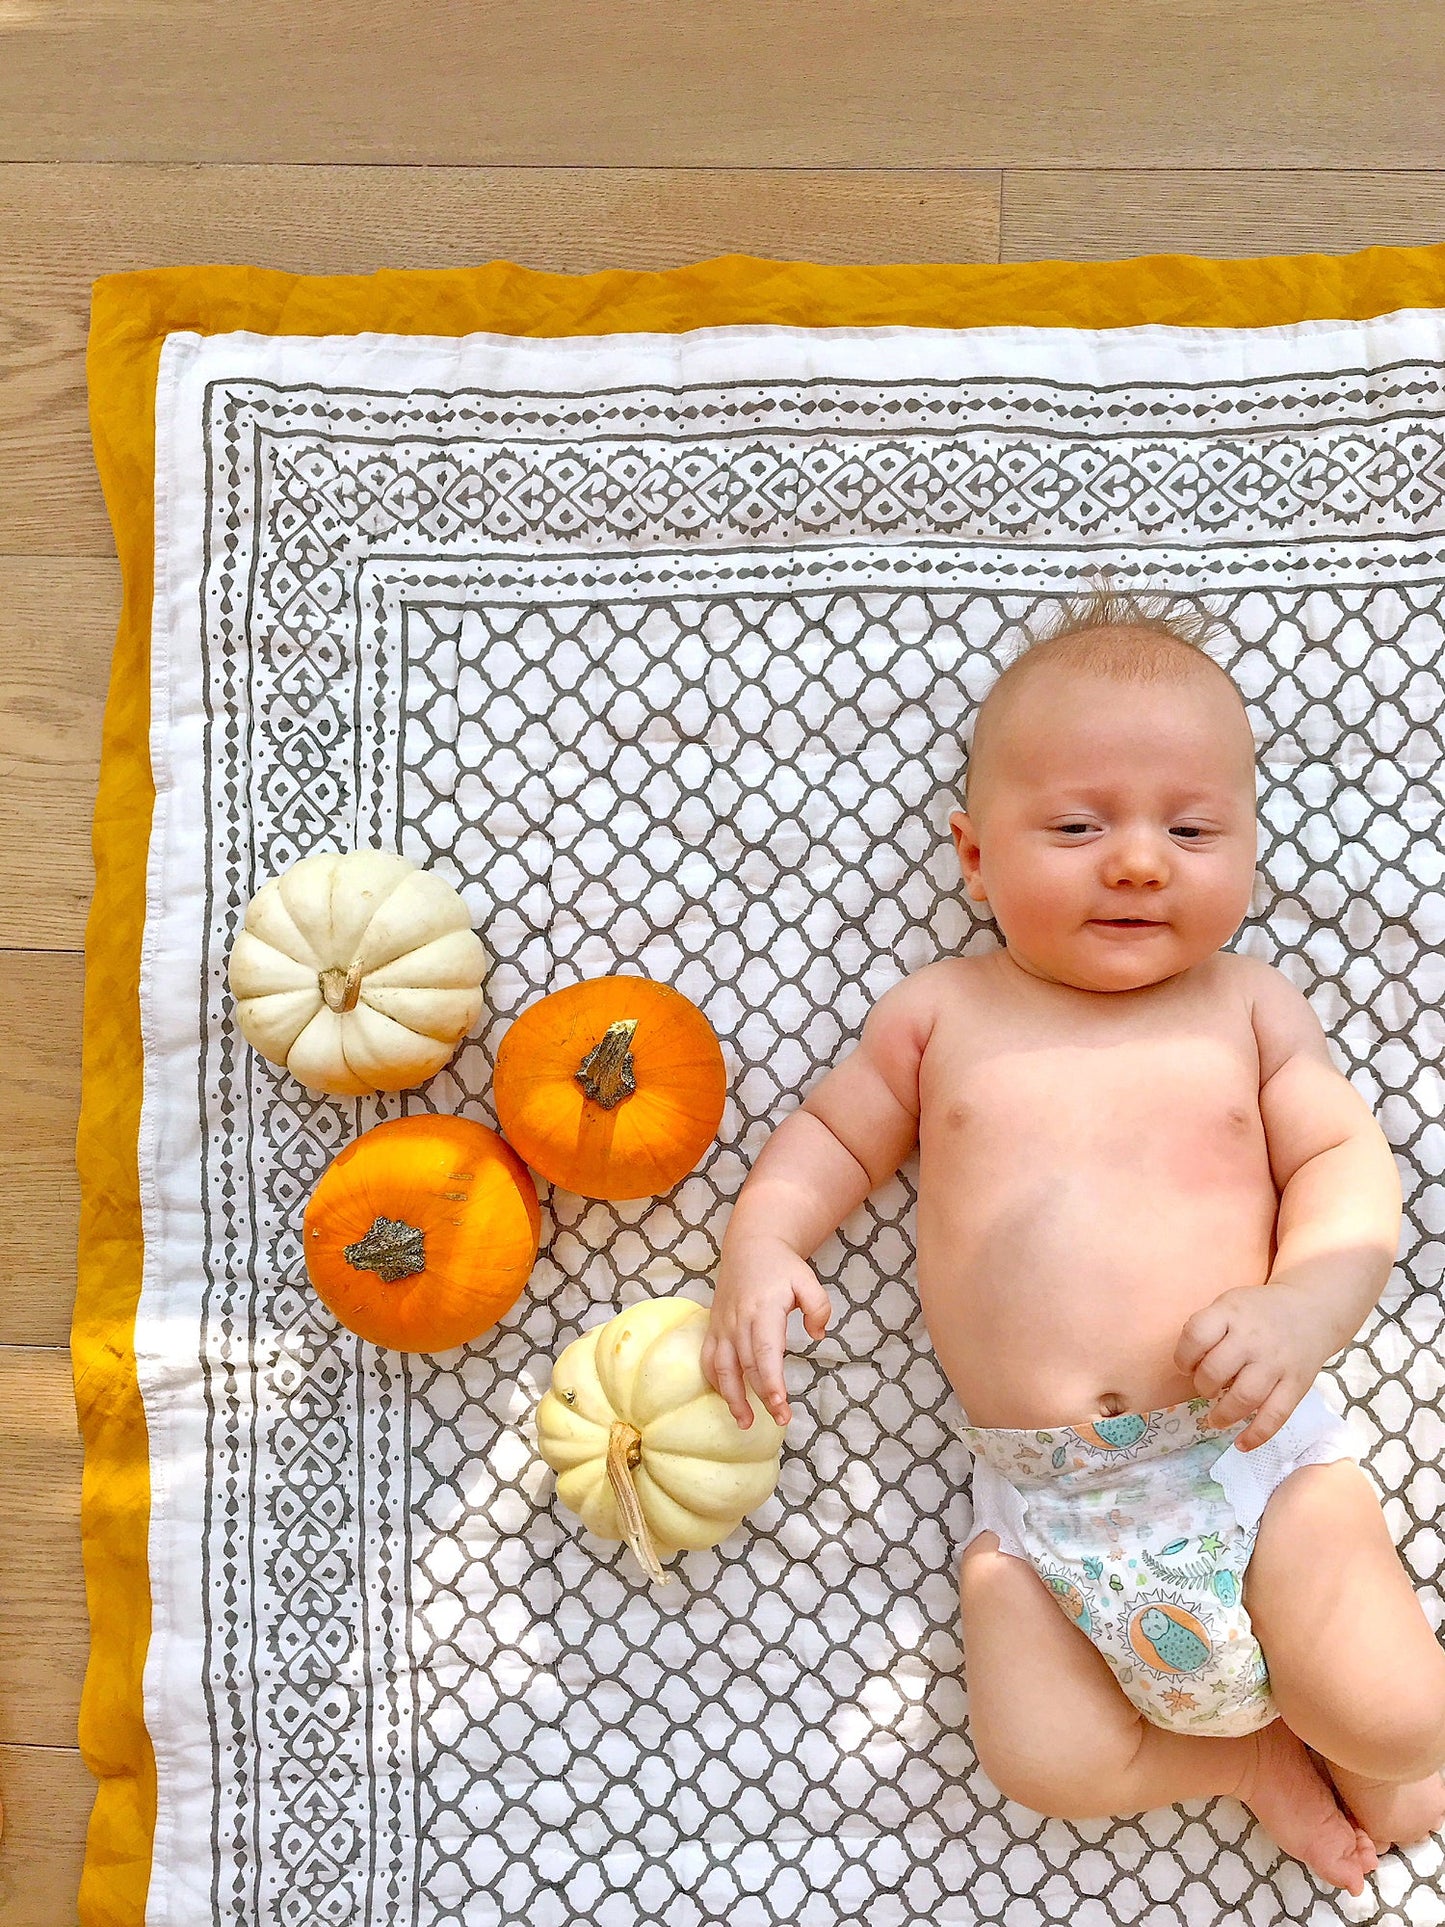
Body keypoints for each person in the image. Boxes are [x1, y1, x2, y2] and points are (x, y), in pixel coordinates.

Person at [700, 589, 1445, 1896]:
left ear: (1249, 847)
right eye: (1078, 825)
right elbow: (829, 1138)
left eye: (1191, 826)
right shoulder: (938, 1014)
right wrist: (761, 1242)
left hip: (1249, 1468)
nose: (1139, 860)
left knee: (1404, 1741)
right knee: (1042, 1761)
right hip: (1044, 1527)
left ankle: (1348, 1739)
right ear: (974, 859)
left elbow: (1343, 1165)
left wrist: (1297, 1312)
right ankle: (1240, 1761)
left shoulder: (1246, 1007)